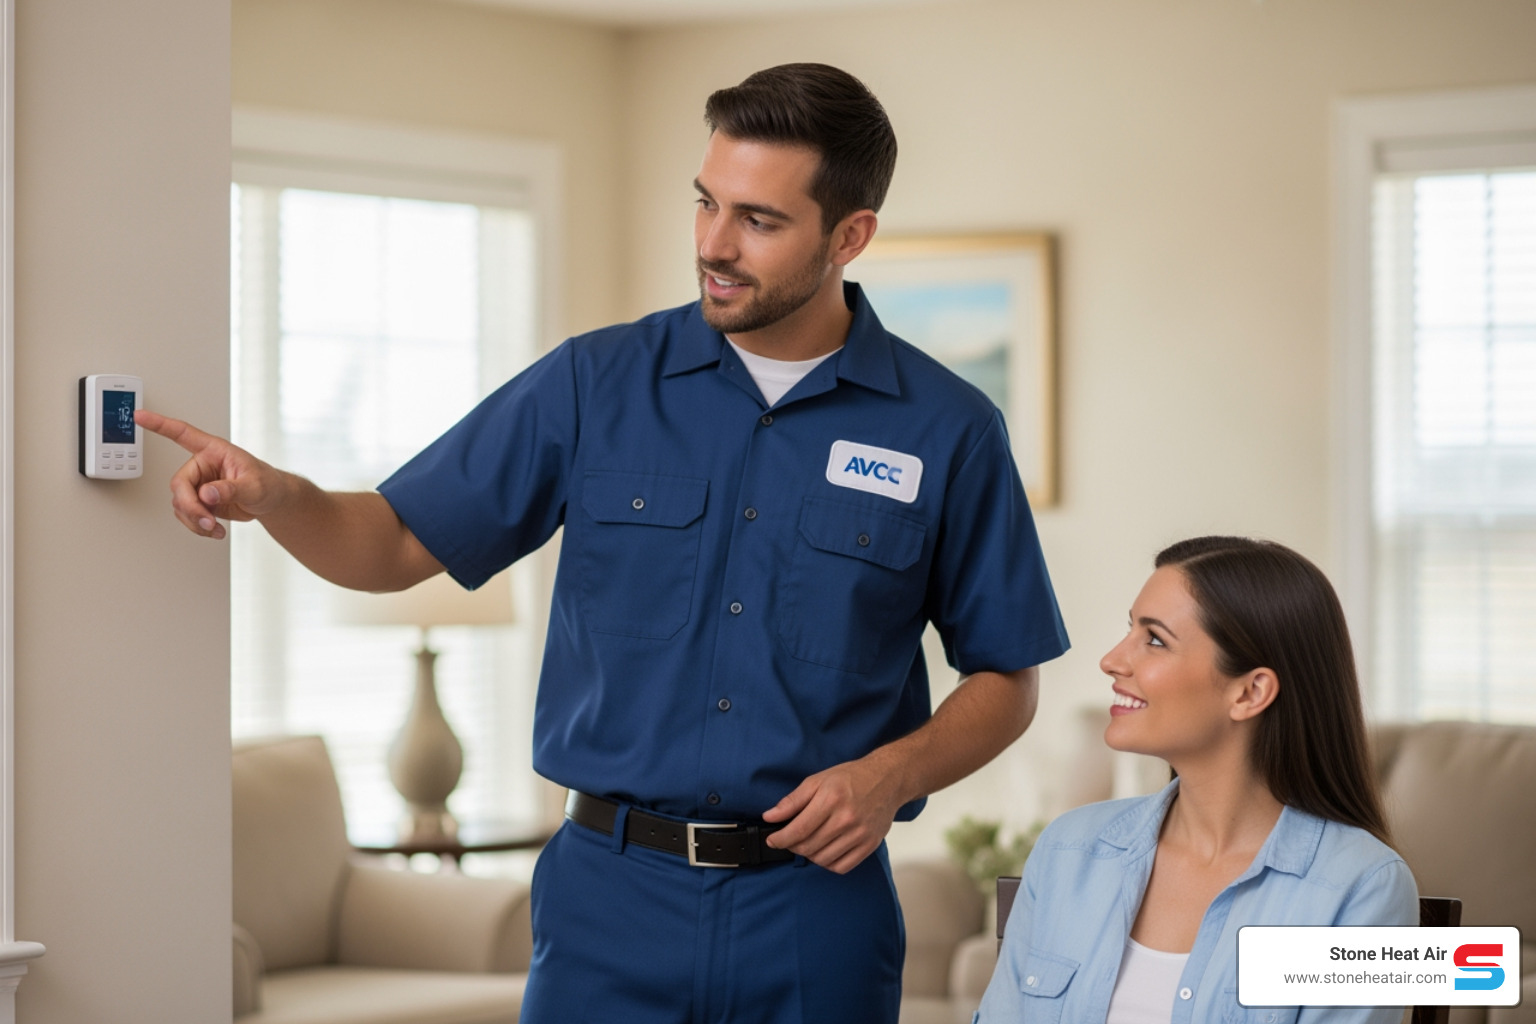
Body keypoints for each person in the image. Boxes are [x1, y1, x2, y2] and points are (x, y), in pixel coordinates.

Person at [141, 64, 1070, 1023]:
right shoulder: (594, 382)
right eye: (706, 202)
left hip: (815, 912)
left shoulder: (948, 429)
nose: (714, 243)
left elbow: (1008, 677)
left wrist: (892, 775)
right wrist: (277, 496)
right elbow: (392, 545)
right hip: (609, 904)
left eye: (759, 220)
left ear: (850, 235)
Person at [977, 536, 1417, 1023]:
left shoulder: (1362, 887)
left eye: (1155, 640)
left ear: (1250, 692)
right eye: (1131, 630)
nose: (1112, 660)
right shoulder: (1068, 851)